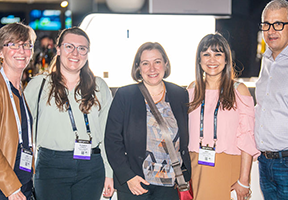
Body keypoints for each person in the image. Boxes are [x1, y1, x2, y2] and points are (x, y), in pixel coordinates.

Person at [24, 27, 114, 200]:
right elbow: (23, 132)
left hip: (91, 166)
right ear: (58, 49)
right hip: (50, 166)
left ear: (87, 53)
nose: (75, 53)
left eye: (82, 48)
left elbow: (107, 134)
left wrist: (109, 173)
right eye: (69, 46)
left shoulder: (99, 86)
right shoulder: (39, 84)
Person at [105, 42, 191, 200]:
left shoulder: (180, 94)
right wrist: (128, 176)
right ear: (138, 67)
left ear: (165, 63)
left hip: (171, 185)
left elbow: (185, 138)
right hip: (136, 184)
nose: (152, 68)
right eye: (146, 63)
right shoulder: (125, 96)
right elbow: (112, 140)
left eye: (157, 62)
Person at [187, 33, 260, 200]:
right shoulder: (192, 89)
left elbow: (247, 136)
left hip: (226, 162)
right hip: (196, 163)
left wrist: (244, 179)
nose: (212, 60)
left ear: (226, 59)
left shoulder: (239, 90)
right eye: (206, 54)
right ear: (199, 60)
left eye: (218, 54)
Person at [255, 0, 288, 199]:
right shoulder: (266, 60)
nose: (271, 30)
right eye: (266, 24)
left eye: (278, 24)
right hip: (265, 163)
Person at [0, 22, 36, 199]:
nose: (21, 51)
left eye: (26, 45)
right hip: (6, 188)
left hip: (23, 183)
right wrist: (10, 187)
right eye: (13, 44)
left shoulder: (19, 89)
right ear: (1, 51)